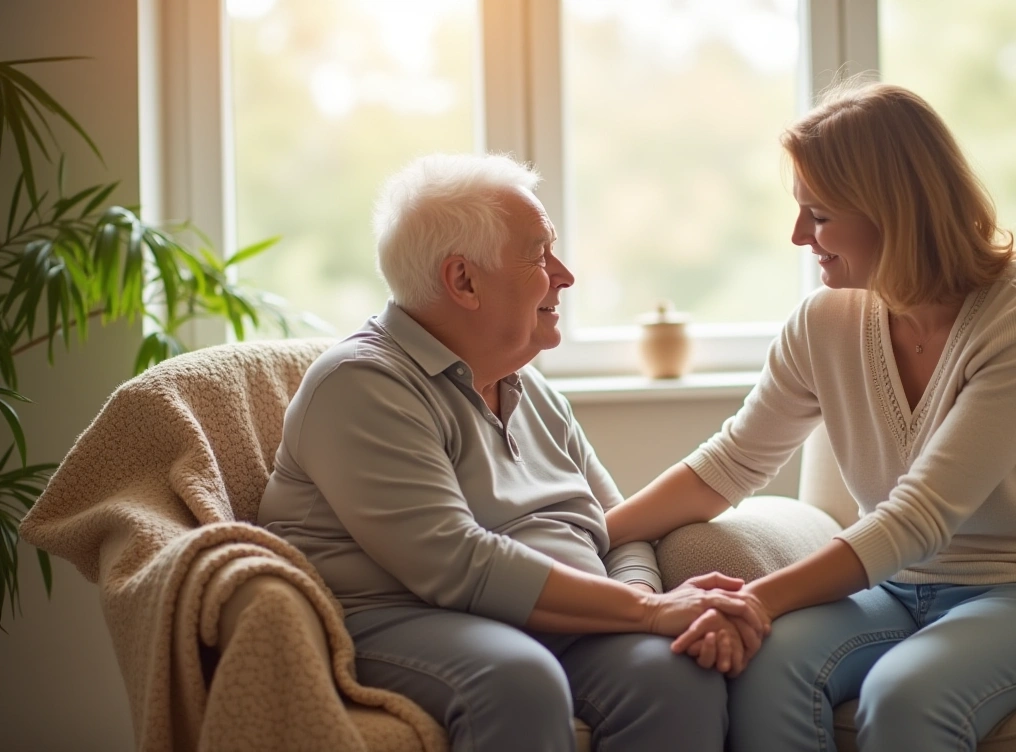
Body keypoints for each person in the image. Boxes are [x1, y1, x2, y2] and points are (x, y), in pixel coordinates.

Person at [607, 82, 1016, 752]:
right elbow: (728, 466)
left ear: (893, 212)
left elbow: (920, 516)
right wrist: (584, 543)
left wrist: (757, 600)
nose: (798, 236)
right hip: (896, 589)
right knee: (765, 666)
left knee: (903, 694)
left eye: (817, 215)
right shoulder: (825, 322)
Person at [257, 153, 762, 752]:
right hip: (398, 616)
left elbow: (614, 528)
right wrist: (645, 612)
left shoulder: (532, 387)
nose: (566, 274)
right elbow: (454, 563)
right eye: (540, 254)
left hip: (550, 620)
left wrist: (649, 602)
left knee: (675, 672)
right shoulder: (361, 383)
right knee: (518, 680)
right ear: (463, 280)